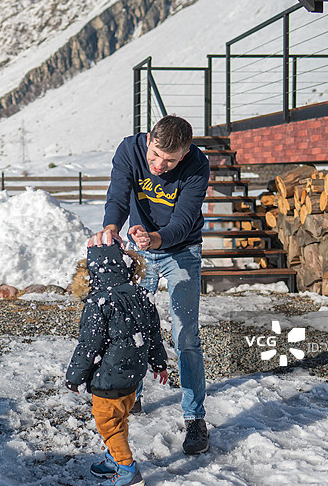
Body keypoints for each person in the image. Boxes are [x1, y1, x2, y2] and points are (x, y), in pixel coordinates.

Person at [93, 115, 211, 455]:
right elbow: (117, 194)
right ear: (148, 141)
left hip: (181, 251)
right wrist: (112, 228)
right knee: (130, 327)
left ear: (186, 153)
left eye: (170, 160)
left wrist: (155, 238)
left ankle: (195, 418)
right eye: (155, 155)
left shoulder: (197, 166)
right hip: (136, 249)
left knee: (184, 334)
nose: (160, 165)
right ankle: (133, 396)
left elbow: (184, 221)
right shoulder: (129, 150)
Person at [65, 234, 168, 486]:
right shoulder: (141, 294)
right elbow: (154, 333)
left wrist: (75, 377)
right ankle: (114, 458)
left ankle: (126, 470)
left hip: (108, 379)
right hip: (133, 377)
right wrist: (159, 363)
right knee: (120, 418)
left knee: (108, 423)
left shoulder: (98, 301)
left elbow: (89, 346)